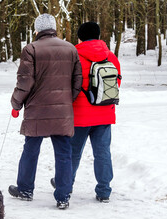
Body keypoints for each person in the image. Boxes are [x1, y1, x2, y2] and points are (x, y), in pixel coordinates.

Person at [8, 13, 83, 209]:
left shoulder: (31, 49)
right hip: (62, 111)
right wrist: (67, 100)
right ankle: (63, 196)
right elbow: (77, 82)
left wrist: (16, 104)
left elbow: (24, 82)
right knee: (64, 153)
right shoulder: (71, 49)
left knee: (31, 149)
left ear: (37, 30)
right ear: (54, 28)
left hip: (36, 110)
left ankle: (25, 189)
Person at [51, 22, 122, 203]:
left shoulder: (73, 56)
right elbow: (116, 84)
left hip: (79, 115)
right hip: (105, 113)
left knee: (73, 153)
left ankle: (67, 185)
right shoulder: (111, 57)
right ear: (99, 36)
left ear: (79, 37)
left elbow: (67, 85)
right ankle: (104, 191)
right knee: (103, 153)